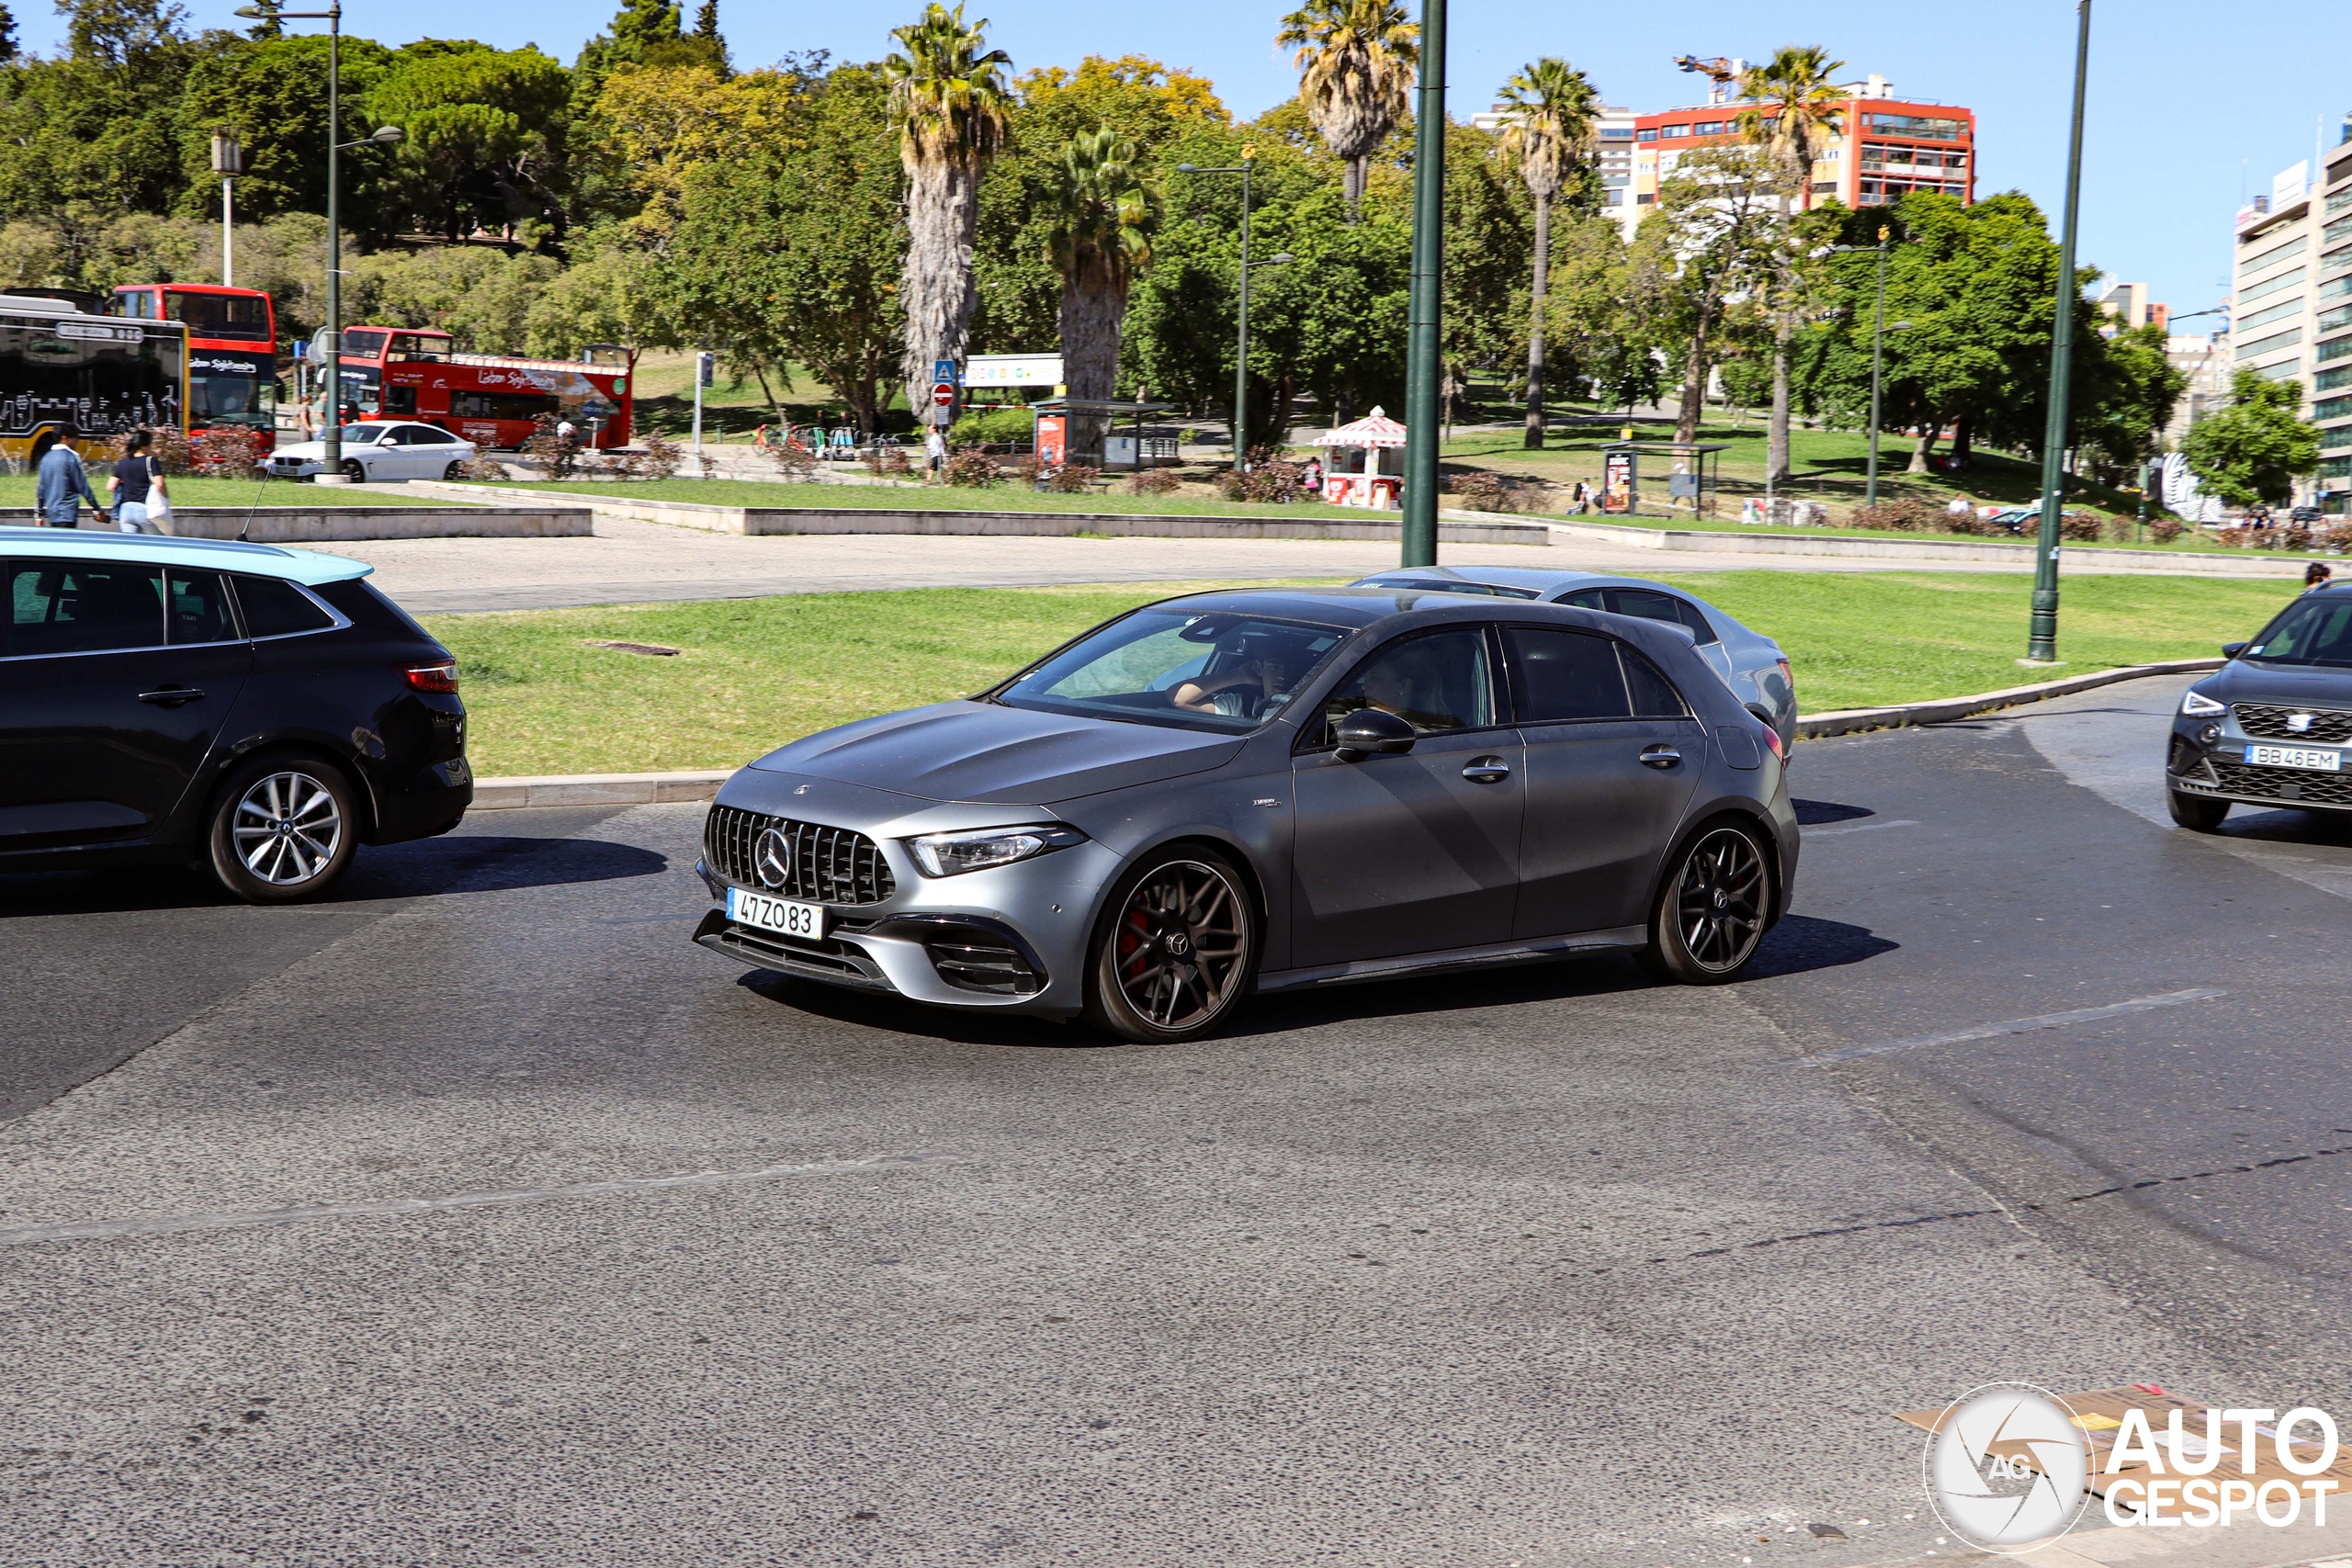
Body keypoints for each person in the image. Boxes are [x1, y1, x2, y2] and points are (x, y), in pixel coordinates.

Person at [33, 423, 107, 529]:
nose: (77, 441)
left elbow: (41, 489)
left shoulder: (45, 459)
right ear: (65, 438)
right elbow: (82, 486)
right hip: (68, 513)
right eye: (75, 438)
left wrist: (38, 515)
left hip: (52, 513)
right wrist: (96, 509)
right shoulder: (71, 457)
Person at [107, 430, 168, 534]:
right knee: (160, 542)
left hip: (125, 510)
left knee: (131, 545)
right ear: (143, 446)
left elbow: (110, 486)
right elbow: (160, 484)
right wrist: (166, 498)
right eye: (150, 444)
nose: (151, 447)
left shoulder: (123, 462)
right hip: (144, 509)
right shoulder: (150, 461)